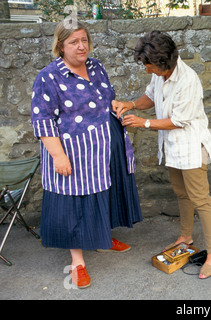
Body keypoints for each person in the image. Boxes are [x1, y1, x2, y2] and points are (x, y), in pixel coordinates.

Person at [31, 21, 142, 288]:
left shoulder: (96, 66)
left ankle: (101, 237)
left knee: (106, 193)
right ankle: (77, 262)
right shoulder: (48, 76)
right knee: (75, 205)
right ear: (60, 45)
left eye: (84, 40)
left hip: (106, 144)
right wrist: (58, 156)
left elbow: (107, 98)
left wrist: (115, 106)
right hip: (73, 152)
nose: (81, 46)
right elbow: (43, 120)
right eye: (73, 42)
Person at [112, 30, 211, 279]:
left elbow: (179, 120)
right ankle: (186, 235)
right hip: (173, 147)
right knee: (181, 193)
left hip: (192, 146)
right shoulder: (160, 75)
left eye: (150, 66)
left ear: (164, 63)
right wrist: (130, 104)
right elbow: (151, 96)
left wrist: (143, 123)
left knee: (201, 199)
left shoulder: (189, 80)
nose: (147, 70)